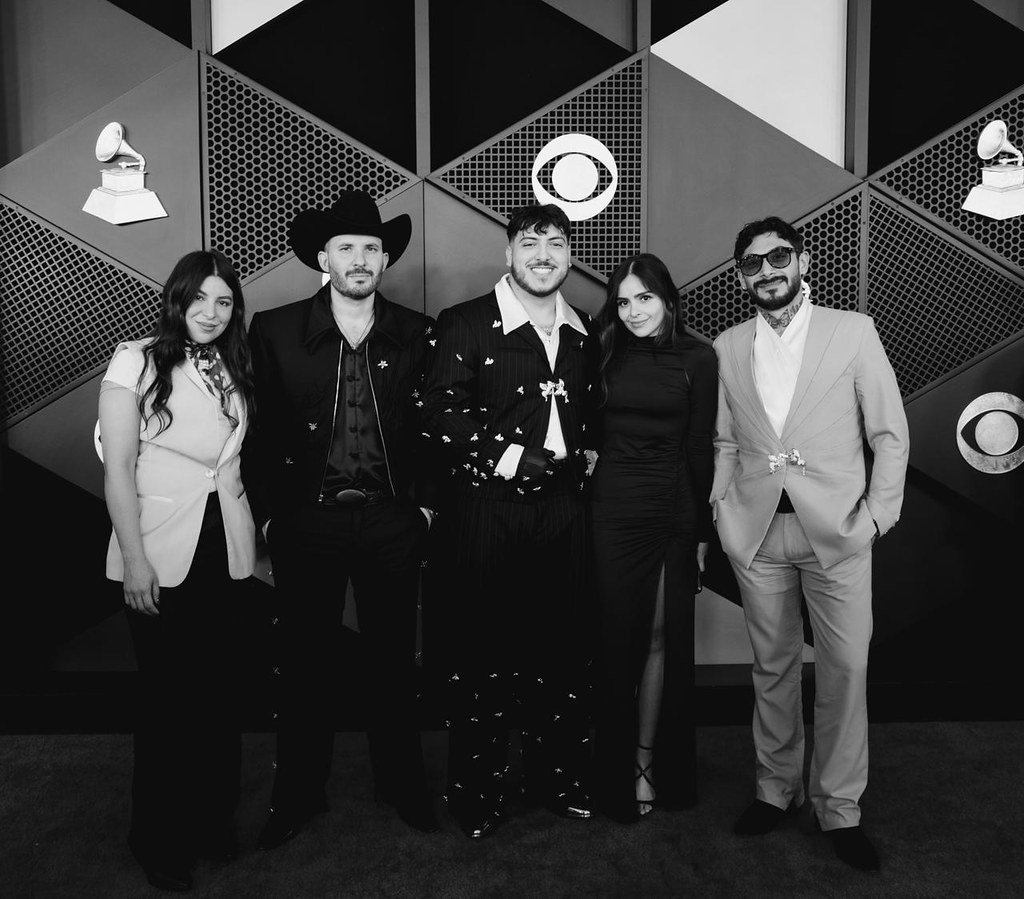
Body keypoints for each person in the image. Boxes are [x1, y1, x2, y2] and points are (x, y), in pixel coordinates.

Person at [712, 216, 909, 871]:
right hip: (758, 534)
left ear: (803, 260)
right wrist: (722, 510)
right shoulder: (728, 345)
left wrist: (876, 517)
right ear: (741, 276)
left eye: (778, 257)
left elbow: (889, 433)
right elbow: (724, 440)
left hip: (840, 532)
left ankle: (839, 807)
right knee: (772, 670)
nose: (767, 271)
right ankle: (775, 789)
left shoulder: (853, 331)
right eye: (752, 263)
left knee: (845, 672)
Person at [245, 189, 439, 849]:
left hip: (392, 521)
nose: (360, 259)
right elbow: (255, 431)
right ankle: (297, 795)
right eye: (346, 247)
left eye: (371, 248)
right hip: (309, 521)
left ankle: (403, 785)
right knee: (304, 667)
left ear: (385, 259)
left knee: (394, 664)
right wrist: (272, 518)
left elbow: (439, 423)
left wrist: (425, 507)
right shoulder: (273, 329)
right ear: (323, 258)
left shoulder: (419, 331)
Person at [421, 203, 598, 839]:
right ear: (509, 253)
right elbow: (437, 413)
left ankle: (558, 780)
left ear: (570, 254)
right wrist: (512, 457)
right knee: (483, 652)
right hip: (487, 511)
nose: (543, 255)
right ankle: (478, 792)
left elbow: (594, 411)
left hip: (566, 512)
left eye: (556, 243)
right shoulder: (465, 322)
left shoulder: (584, 329)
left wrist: (591, 450)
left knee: (562, 649)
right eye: (530, 243)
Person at [99, 249, 256, 891]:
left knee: (219, 697)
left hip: (226, 551)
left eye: (224, 302)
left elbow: (229, 462)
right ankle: (157, 838)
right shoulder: (134, 360)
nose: (211, 313)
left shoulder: (235, 364)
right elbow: (116, 469)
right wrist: (134, 560)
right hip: (159, 551)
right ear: (177, 299)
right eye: (200, 299)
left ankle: (211, 823)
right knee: (168, 704)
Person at [589, 253, 717, 823]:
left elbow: (699, 448)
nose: (634, 311)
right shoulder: (601, 351)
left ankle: (646, 760)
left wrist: (701, 531)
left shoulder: (699, 358)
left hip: (671, 510)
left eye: (644, 298)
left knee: (661, 638)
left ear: (667, 298)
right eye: (623, 301)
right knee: (614, 640)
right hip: (610, 511)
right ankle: (610, 767)